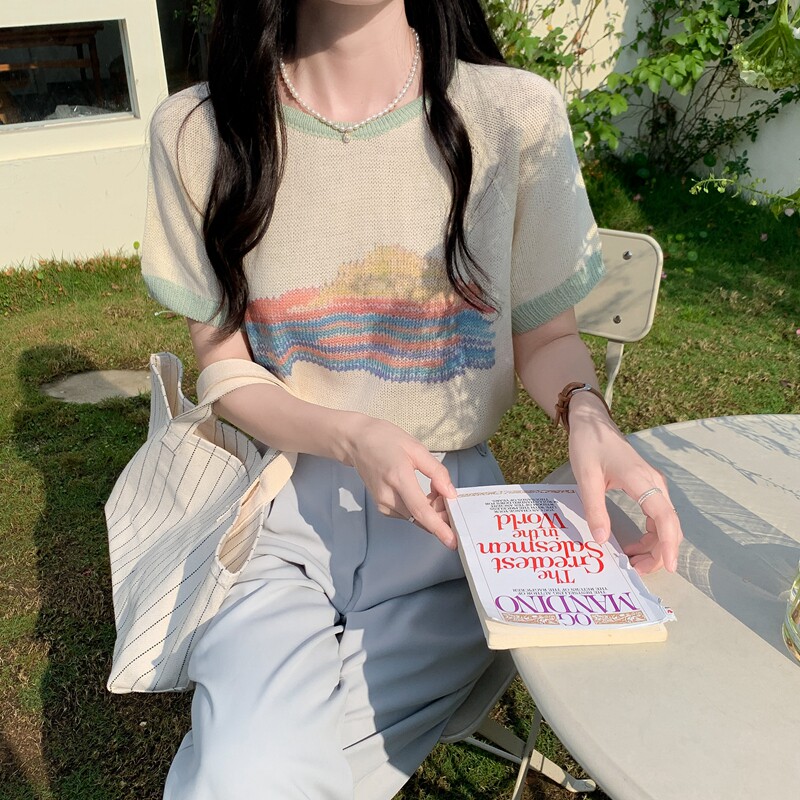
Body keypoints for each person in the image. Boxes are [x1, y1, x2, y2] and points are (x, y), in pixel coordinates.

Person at [140, 1, 683, 797]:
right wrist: (351, 436)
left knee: (246, 780)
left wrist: (586, 411)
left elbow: (547, 340)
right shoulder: (198, 130)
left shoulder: (514, 115)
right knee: (245, 775)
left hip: (453, 536)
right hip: (273, 519)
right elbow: (223, 366)